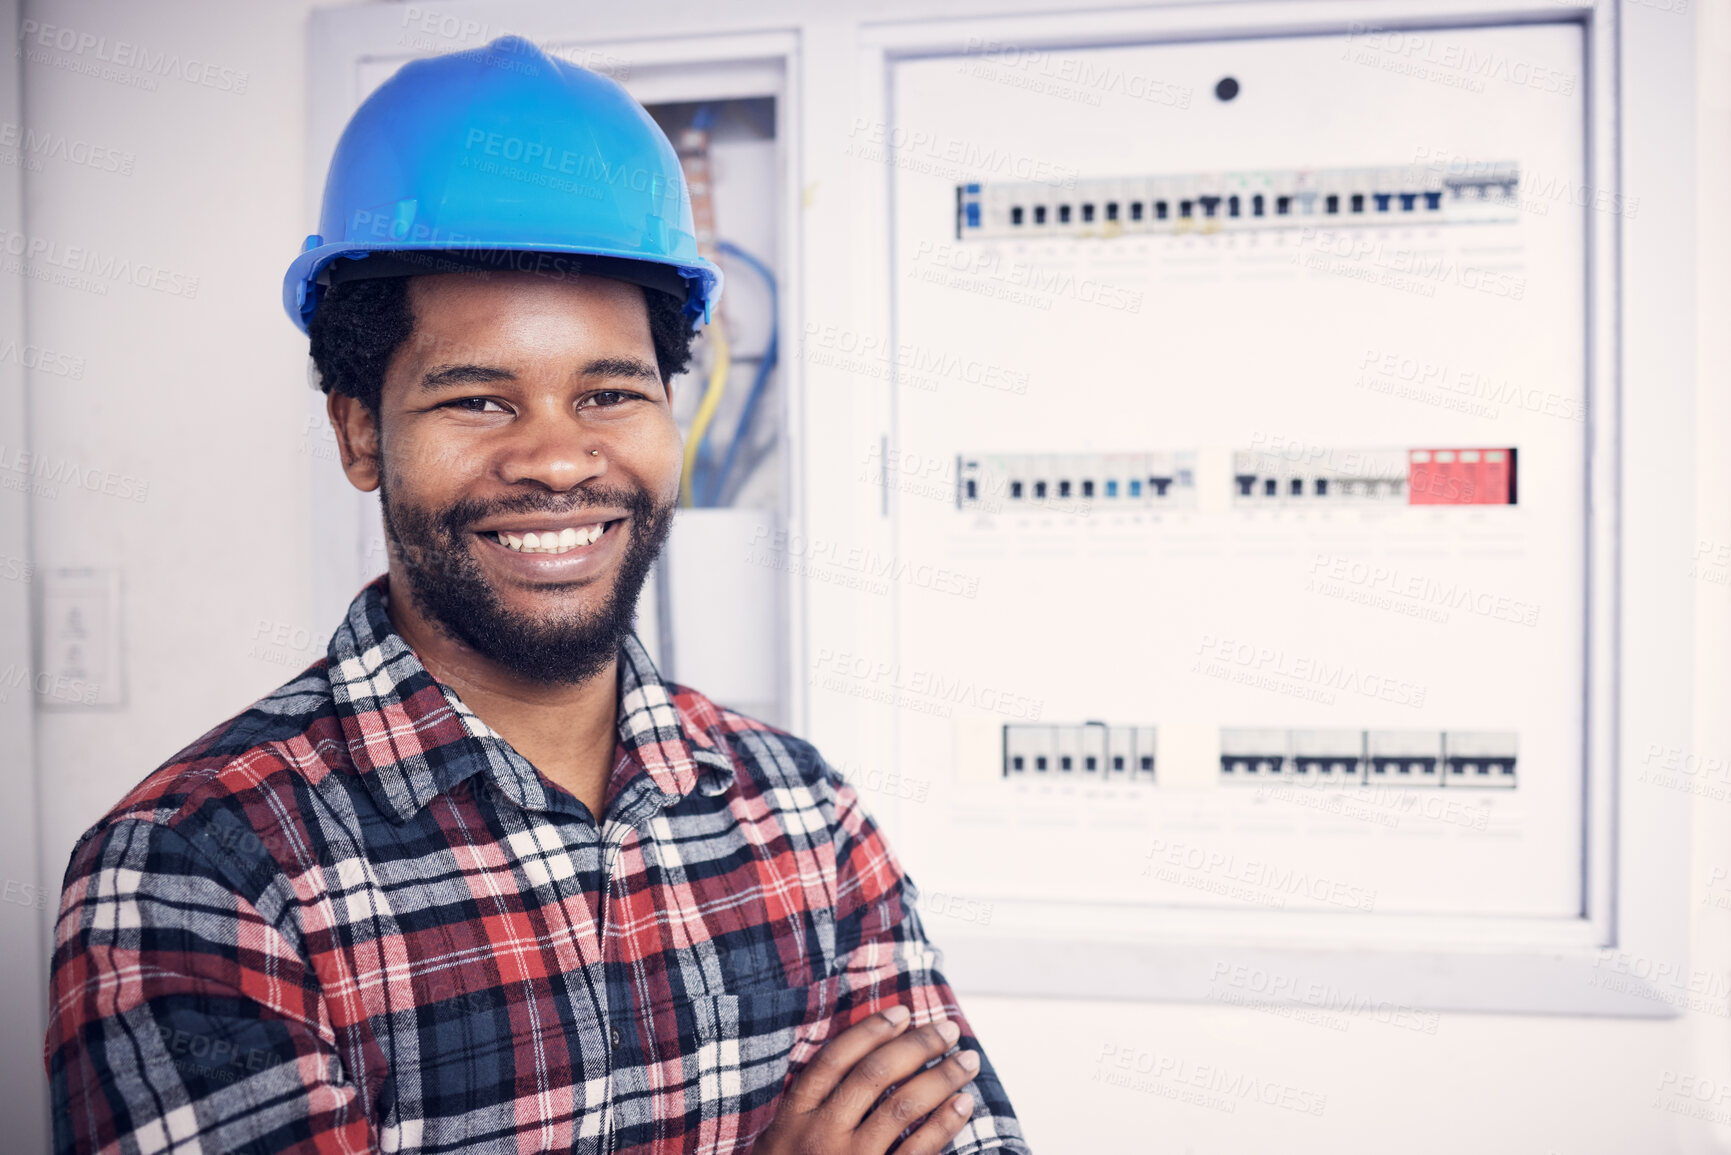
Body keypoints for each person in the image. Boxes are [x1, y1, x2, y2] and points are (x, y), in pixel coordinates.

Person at [43, 35, 1029, 1155]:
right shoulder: (201, 871)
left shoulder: (806, 818)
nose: (561, 462)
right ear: (361, 432)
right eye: (479, 401)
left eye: (609, 391)